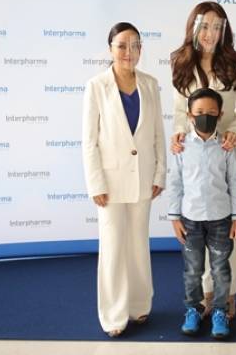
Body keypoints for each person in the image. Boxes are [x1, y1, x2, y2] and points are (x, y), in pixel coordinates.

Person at [82, 22, 166, 337]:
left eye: (135, 45)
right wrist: (96, 183)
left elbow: (157, 133)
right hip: (110, 183)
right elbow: (89, 141)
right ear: (110, 49)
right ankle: (114, 315)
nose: (128, 52)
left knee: (138, 245)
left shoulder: (150, 84)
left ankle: (139, 305)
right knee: (113, 248)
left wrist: (160, 173)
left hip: (143, 179)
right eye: (121, 45)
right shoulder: (96, 86)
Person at [170, 1, 236, 319]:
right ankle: (206, 295)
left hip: (229, 153)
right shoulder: (179, 61)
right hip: (194, 156)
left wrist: (234, 131)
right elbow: (180, 112)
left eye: (218, 27)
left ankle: (227, 294)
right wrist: (179, 133)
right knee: (197, 225)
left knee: (227, 227)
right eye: (205, 26)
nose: (211, 33)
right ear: (194, 27)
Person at [166, 88, 236, 339]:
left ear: (220, 115)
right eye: (199, 112)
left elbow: (235, 183)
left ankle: (220, 311)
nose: (205, 116)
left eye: (211, 112)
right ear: (190, 115)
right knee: (192, 270)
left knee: (220, 269)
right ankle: (194, 309)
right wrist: (174, 218)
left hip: (221, 219)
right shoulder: (181, 147)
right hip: (190, 220)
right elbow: (175, 183)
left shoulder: (226, 147)